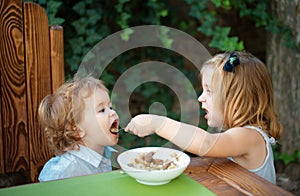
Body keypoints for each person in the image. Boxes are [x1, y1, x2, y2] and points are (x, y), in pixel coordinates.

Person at [125, 51, 283, 184]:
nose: (201, 98)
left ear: (237, 99)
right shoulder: (240, 136)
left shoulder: (250, 136)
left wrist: (158, 123)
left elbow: (205, 143)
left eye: (209, 91)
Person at [38, 76, 120, 182]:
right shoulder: (63, 172)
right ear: (78, 130)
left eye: (110, 107)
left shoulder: (105, 153)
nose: (112, 112)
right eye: (102, 110)